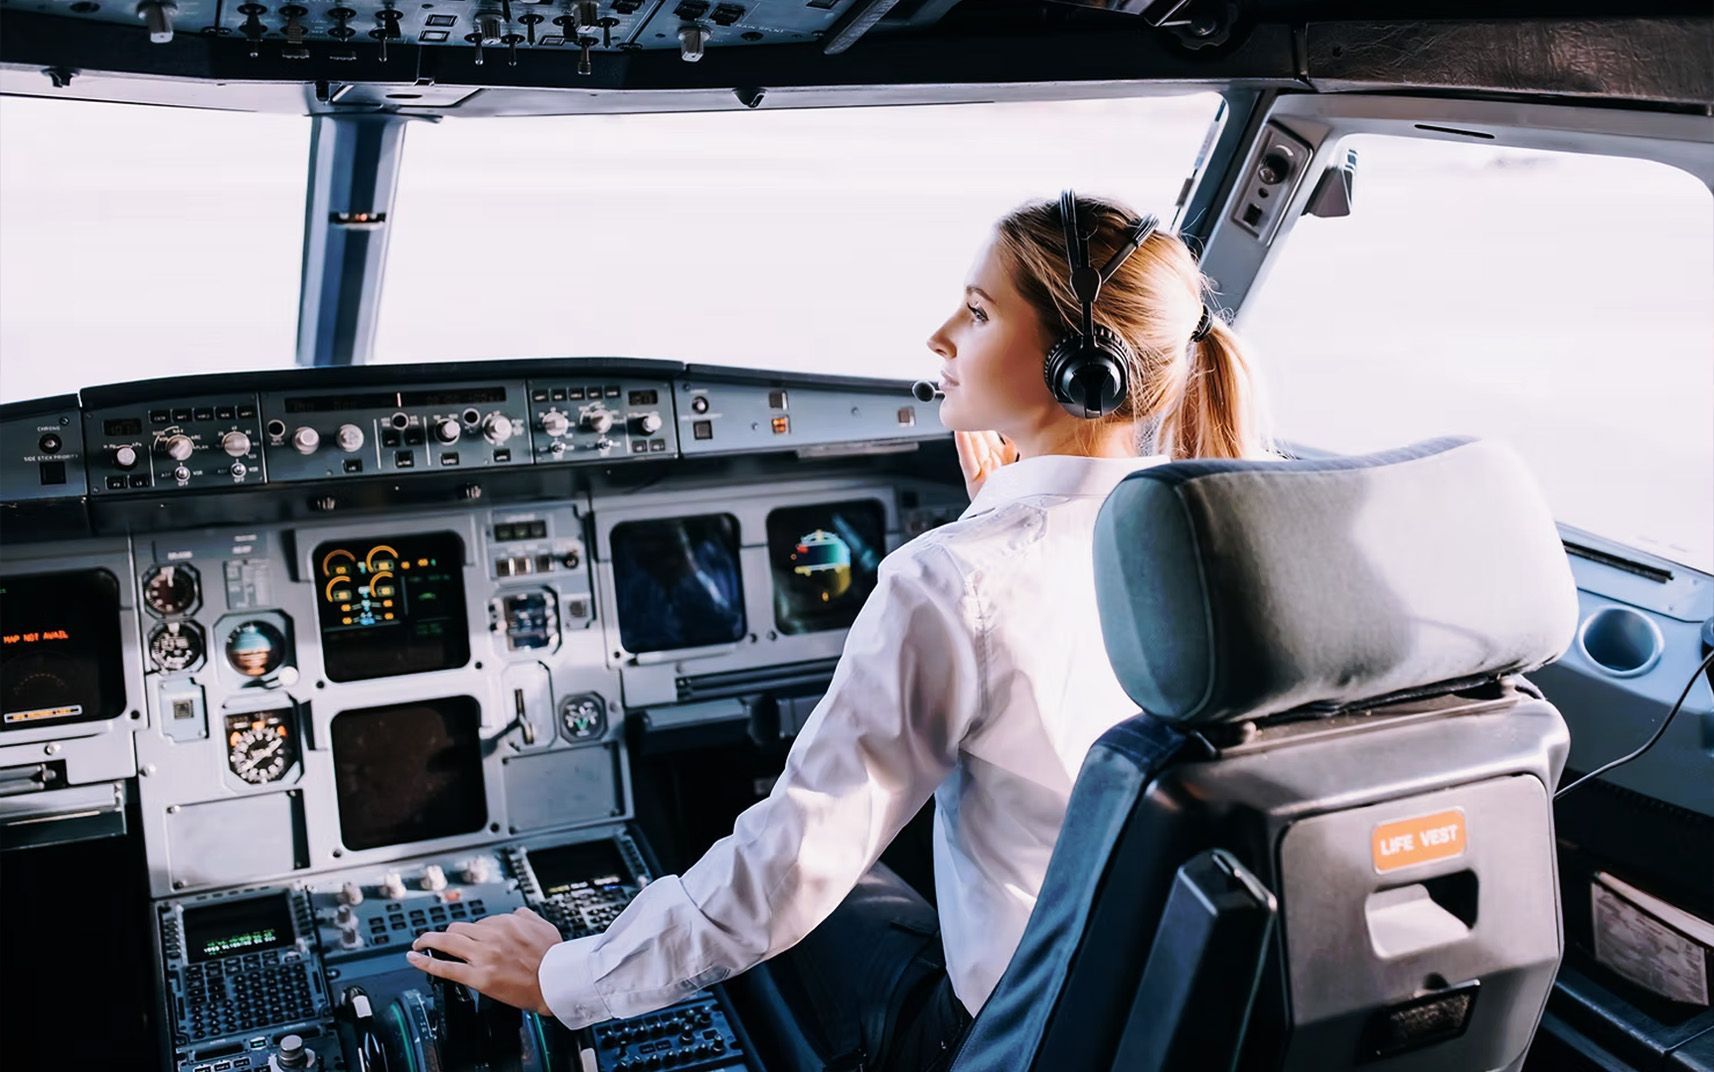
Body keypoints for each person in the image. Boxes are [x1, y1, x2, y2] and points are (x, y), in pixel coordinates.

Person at [405, 192, 1272, 1070]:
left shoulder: (955, 580)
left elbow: (792, 867)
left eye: (977, 312)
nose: (940, 338)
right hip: (1170, 1017)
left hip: (1002, 1040)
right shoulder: (1224, 541)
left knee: (770, 845)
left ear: (1080, 365)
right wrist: (1004, 521)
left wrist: (563, 977)